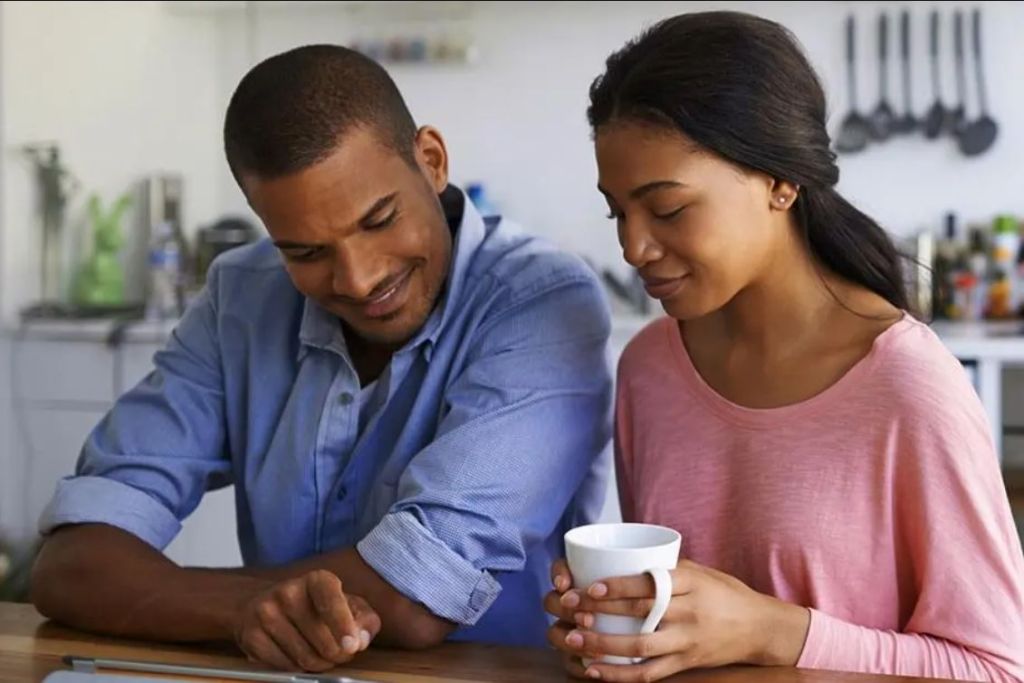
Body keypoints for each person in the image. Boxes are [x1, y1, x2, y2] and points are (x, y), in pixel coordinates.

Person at [30, 44, 613, 671]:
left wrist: (201, 599)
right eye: (306, 253)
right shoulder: (241, 297)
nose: (359, 280)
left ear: (432, 161)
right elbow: (73, 565)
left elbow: (417, 598)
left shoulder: (540, 301)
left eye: (379, 219)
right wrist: (241, 612)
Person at [545, 11, 1024, 682]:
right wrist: (610, 626)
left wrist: (774, 631)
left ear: (780, 181)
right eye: (617, 211)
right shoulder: (649, 369)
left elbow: (997, 666)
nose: (633, 247)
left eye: (669, 209)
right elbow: (681, 629)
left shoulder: (908, 388)